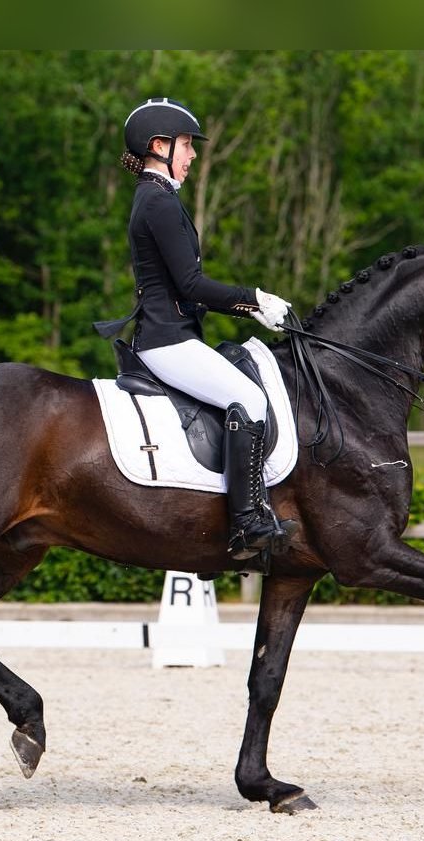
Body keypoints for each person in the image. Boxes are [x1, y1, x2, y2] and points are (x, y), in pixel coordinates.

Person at [113, 97, 297, 561]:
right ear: (159, 146)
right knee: (252, 401)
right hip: (167, 340)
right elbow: (191, 284)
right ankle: (246, 523)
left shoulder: (157, 198)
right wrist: (253, 299)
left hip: (172, 335)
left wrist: (247, 307)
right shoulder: (157, 201)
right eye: (187, 145)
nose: (193, 155)